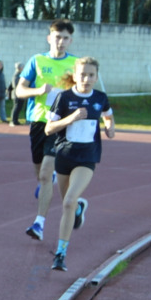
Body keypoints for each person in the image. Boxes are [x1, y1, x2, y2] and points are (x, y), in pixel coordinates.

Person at [44, 57, 114, 272]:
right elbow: (48, 128)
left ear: (96, 77)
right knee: (69, 202)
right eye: (82, 74)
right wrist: (71, 118)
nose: (86, 79)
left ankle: (60, 254)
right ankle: (79, 208)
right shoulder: (64, 97)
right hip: (64, 155)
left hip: (87, 157)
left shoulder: (100, 98)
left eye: (91, 75)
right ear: (75, 76)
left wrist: (110, 128)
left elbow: (108, 116)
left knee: (68, 202)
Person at [16, 19, 78, 241]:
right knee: (40, 174)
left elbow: (83, 93)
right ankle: (77, 204)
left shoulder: (76, 64)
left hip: (60, 124)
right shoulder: (37, 60)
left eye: (65, 38)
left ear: (70, 41)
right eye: (57, 37)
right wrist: (38, 90)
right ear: (49, 38)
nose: (61, 42)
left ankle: (39, 224)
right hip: (38, 121)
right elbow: (19, 91)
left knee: (44, 175)